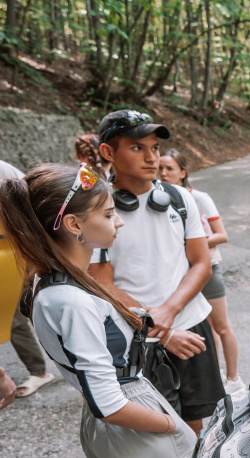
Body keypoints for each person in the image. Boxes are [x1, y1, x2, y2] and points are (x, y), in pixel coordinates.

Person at [0, 164, 228, 458]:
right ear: (75, 225)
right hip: (130, 420)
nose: (118, 220)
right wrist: (174, 427)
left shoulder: (61, 281)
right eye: (108, 212)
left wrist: (160, 338)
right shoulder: (70, 299)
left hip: (125, 415)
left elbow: (105, 345)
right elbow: (108, 400)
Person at [88, 110, 225, 434]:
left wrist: (168, 312)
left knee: (196, 426)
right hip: (138, 338)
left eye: (155, 148)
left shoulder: (179, 199)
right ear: (108, 152)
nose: (151, 157)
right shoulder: (94, 209)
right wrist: (158, 327)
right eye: (138, 148)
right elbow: (99, 282)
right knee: (157, 432)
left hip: (191, 325)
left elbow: (201, 263)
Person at [158, 149, 244, 395]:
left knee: (221, 326)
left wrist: (192, 243)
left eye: (170, 168)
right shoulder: (158, 199)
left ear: (182, 173)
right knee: (203, 327)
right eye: (160, 168)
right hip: (184, 273)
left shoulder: (199, 198)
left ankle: (234, 379)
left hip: (208, 267)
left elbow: (221, 234)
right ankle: (215, 376)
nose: (163, 173)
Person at [1, 159, 56, 399]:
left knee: (18, 313)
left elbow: (34, 198)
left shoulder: (4, 170)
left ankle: (41, 371)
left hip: (14, 248)